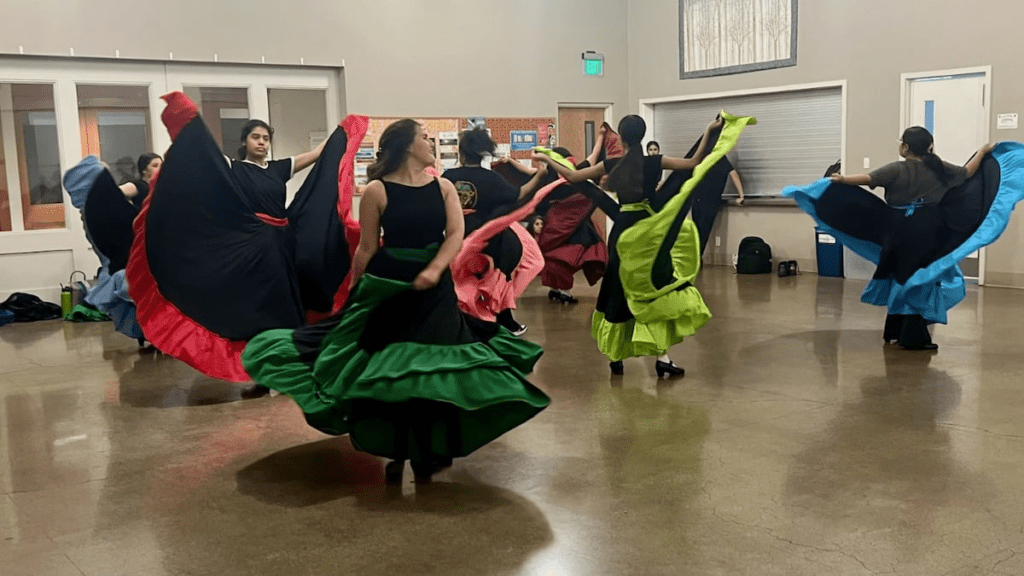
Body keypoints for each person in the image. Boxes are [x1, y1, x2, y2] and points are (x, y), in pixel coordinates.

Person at [242, 119, 550, 484]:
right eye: (423, 137)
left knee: (430, 372)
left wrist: (436, 269)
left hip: (434, 292)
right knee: (390, 373)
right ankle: (401, 448)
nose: (430, 142)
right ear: (406, 145)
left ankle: (424, 451)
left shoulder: (444, 186)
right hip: (389, 286)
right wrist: (356, 293)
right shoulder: (377, 190)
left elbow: (455, 235)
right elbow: (367, 248)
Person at [533, 113, 738, 377]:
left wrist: (549, 159)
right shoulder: (655, 162)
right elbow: (694, 162)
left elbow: (574, 177)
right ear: (642, 135)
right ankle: (662, 356)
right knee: (651, 289)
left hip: (623, 232)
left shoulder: (613, 163)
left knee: (618, 289)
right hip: (648, 232)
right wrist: (709, 131)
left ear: (620, 136)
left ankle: (615, 355)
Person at [815, 126, 995, 350]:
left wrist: (842, 179)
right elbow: (967, 172)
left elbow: (868, 178)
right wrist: (982, 152)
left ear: (905, 146)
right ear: (929, 147)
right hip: (928, 231)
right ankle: (911, 336)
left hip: (898, 231)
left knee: (900, 278)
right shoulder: (939, 169)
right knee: (920, 280)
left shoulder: (896, 169)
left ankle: (896, 331)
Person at [442, 127, 548, 334]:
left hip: (457, 237)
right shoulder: (490, 178)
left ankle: (466, 322)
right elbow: (517, 195)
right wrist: (539, 177)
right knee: (500, 277)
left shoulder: (448, 176)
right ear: (483, 153)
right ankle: (504, 319)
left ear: (461, 153)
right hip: (488, 240)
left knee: (461, 279)